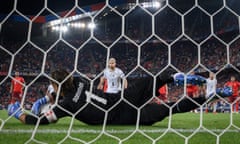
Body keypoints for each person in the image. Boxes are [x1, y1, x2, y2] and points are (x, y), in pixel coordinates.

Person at [8, 69, 232, 125]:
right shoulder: (79, 81)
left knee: (169, 108)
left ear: (56, 86)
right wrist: (52, 95)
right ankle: (179, 79)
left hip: (121, 117)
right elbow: (70, 87)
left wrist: (18, 112)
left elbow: (38, 121)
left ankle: (205, 96)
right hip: (121, 100)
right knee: (148, 82)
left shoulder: (65, 105)